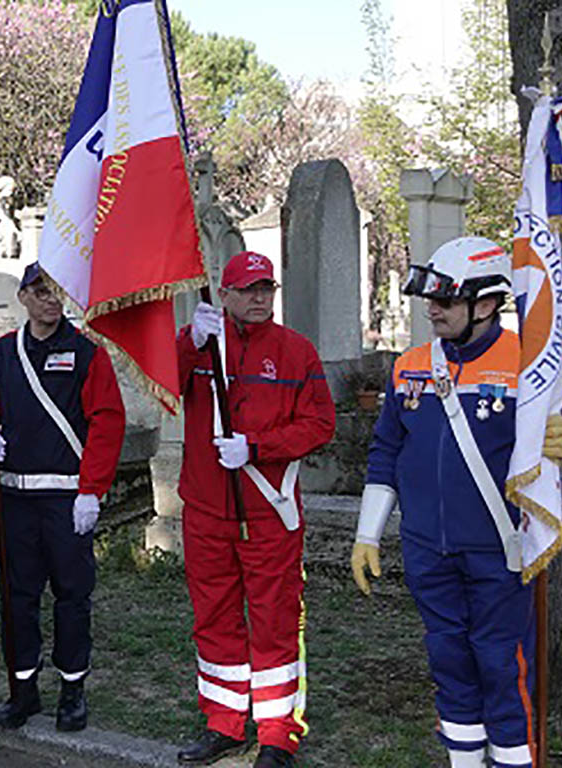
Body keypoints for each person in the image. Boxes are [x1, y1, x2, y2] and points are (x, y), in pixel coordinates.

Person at [351, 237, 562, 768]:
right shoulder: (409, 366)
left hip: (500, 554)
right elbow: (386, 452)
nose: (432, 309)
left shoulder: (531, 367)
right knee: (450, 663)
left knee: (501, 667)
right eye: (429, 299)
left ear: (485, 304)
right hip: (426, 552)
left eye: (445, 300)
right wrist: (368, 534)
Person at [175, 252, 336, 768]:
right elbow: (163, 386)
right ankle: (224, 723)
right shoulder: (202, 345)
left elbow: (320, 424)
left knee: (275, 621)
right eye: (247, 290)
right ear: (223, 295)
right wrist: (189, 343)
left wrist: (258, 447)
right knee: (214, 618)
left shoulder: (296, 351)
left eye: (266, 288)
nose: (259, 298)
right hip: (206, 509)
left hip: (269, 510)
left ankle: (277, 734)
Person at [0, 263, 125, 732]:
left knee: (72, 597)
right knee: (18, 598)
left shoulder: (87, 353)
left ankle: (72, 690)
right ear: (23, 297)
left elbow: (107, 422)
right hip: (15, 498)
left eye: (56, 291)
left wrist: (92, 491)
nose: (50, 299)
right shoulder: (2, 353)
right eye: (40, 291)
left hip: (67, 500)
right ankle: (23, 690)